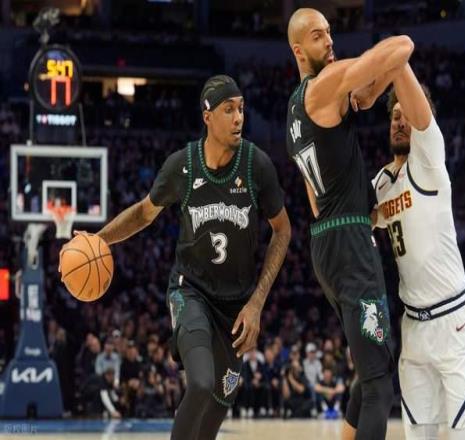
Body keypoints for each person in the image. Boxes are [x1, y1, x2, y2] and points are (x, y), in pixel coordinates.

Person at [62, 74, 291, 440]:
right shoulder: (181, 165)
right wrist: (98, 239)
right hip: (191, 291)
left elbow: (283, 230)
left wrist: (257, 304)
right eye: (228, 109)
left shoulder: (256, 165)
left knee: (218, 405)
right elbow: (143, 213)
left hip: (237, 305)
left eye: (241, 109)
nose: (238, 118)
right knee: (200, 383)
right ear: (207, 116)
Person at [286, 7, 413, 439]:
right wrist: (376, 76)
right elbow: (402, 46)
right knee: (379, 383)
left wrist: (368, 91)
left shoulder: (294, 109)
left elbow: (312, 195)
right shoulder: (325, 83)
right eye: (318, 36)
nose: (330, 41)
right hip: (349, 242)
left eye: (330, 32)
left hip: (325, 241)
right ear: (299, 50)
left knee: (370, 364)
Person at [357, 64, 465, 439]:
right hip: (413, 327)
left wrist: (389, 68)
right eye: (394, 117)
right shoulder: (381, 182)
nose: (400, 122)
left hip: (454, 322)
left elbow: (414, 95)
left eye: (406, 115)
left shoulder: (428, 160)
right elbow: (360, 220)